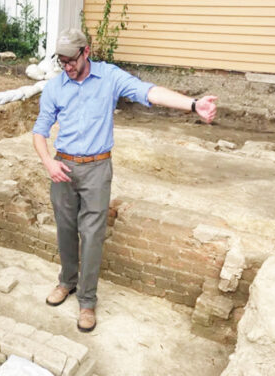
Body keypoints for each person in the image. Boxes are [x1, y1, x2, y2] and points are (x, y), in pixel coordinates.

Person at [33, 29, 217, 332]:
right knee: (66, 230)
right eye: (61, 60)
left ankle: (87, 301)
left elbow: (148, 92)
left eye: (70, 60)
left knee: (92, 236)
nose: (66, 66)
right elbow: (39, 131)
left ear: (86, 51)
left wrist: (194, 104)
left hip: (97, 168)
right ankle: (67, 282)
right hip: (62, 167)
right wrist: (48, 161)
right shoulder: (55, 87)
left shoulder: (110, 78)